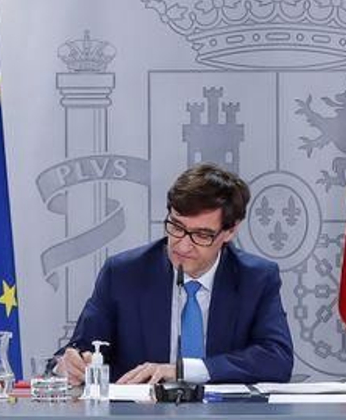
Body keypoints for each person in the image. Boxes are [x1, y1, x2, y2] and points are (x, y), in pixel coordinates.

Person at [58, 163, 294, 385]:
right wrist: (70, 365)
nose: (182, 245)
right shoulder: (123, 274)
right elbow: (79, 349)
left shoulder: (256, 278)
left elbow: (277, 360)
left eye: (202, 235)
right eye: (177, 227)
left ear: (230, 231)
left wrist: (183, 370)